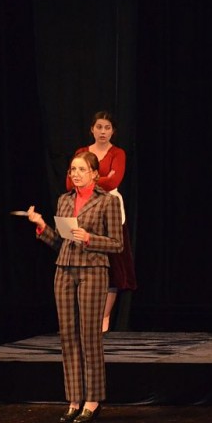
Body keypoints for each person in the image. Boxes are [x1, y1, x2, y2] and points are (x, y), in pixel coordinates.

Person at [27, 151, 123, 423]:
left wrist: (90, 238)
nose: (76, 174)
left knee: (89, 336)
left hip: (93, 270)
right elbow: (61, 243)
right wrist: (42, 226)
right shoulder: (65, 200)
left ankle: (92, 400)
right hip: (64, 270)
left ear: (94, 173)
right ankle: (74, 399)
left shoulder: (107, 201)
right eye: (72, 169)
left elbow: (117, 244)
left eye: (81, 169)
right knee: (68, 336)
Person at [66, 111, 136, 333]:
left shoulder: (117, 153)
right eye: (99, 127)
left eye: (107, 127)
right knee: (84, 258)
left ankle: (104, 317)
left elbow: (114, 181)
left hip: (109, 207)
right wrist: (100, 178)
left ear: (113, 131)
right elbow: (70, 183)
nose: (103, 131)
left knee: (112, 263)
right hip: (84, 206)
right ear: (92, 129)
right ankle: (85, 316)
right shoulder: (82, 152)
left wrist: (89, 180)